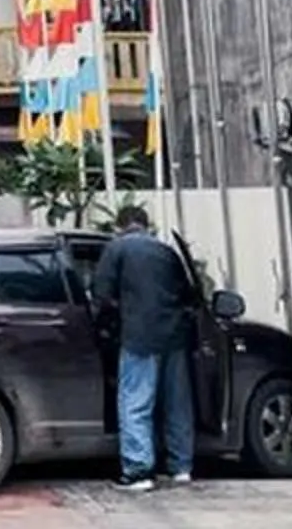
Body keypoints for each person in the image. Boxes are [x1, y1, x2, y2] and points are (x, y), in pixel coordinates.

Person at [94, 204, 199, 492]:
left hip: (139, 336)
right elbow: (188, 294)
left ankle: (138, 471)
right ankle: (181, 468)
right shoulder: (167, 251)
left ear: (120, 226)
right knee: (177, 403)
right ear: (145, 224)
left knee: (135, 401)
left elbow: (101, 294)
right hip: (174, 338)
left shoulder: (116, 249)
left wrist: (110, 321)